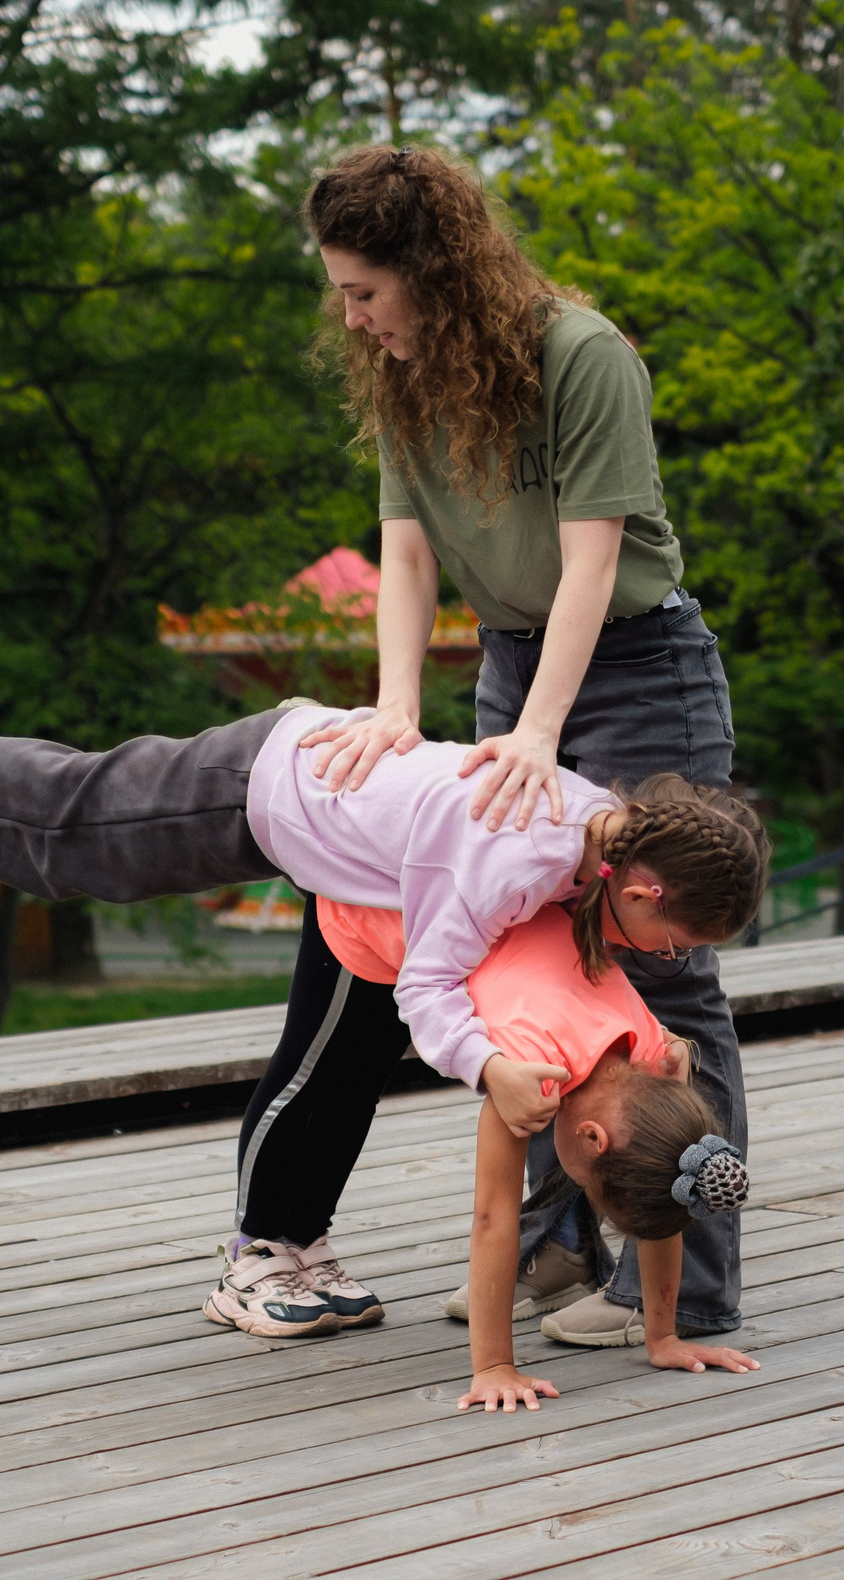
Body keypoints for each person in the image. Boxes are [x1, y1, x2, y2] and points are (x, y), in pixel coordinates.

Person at [0, 688, 768, 1333]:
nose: (672, 960)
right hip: (267, 788)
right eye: (678, 940)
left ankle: (288, 1241)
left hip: (331, 830)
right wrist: (488, 1067)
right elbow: (429, 988)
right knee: (64, 836)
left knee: (336, 1042)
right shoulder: (515, 859)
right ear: (639, 889)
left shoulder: (597, 833)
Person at [269, 143, 748, 1350]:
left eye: (365, 288)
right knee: (518, 948)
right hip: (510, 654)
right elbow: (410, 552)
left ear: (432, 270)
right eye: (340, 289)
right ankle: (552, 1244)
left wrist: (538, 733)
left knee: (662, 964)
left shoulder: (577, 355)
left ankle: (682, 1284)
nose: (352, 313)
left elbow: (593, 558)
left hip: (636, 662)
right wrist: (392, 708)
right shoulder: (407, 370)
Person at [308, 898, 758, 1406]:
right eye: (590, 1188)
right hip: (381, 913)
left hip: (502, 905)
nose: (580, 1188)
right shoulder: (526, 1072)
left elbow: (667, 1191)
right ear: (591, 1139)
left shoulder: (655, 1056)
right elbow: (492, 1218)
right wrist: (495, 1366)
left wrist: (662, 1337)